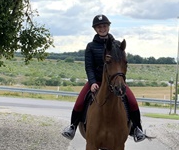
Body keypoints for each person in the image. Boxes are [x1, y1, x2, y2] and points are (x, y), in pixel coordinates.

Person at [62, 14, 146, 142]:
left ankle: (137, 129)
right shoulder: (91, 46)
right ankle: (72, 127)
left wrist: (120, 79)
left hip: (115, 81)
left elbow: (122, 64)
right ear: (95, 29)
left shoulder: (117, 45)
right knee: (79, 102)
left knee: (133, 102)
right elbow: (89, 67)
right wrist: (92, 82)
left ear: (108, 27)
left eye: (104, 26)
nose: (102, 29)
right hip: (97, 81)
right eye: (99, 27)